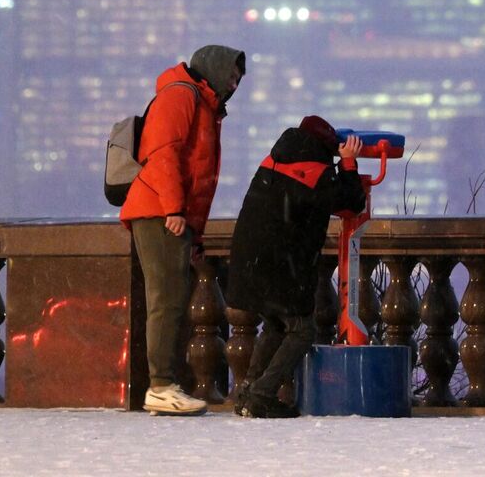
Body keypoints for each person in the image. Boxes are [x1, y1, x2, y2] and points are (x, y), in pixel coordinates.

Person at [119, 44, 245, 416]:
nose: (235, 83)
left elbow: (197, 175)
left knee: (171, 298)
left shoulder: (202, 103)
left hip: (168, 212)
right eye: (233, 75)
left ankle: (164, 384)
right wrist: (174, 208)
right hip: (159, 209)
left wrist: (196, 232)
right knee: (166, 299)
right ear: (215, 69)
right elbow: (164, 153)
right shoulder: (180, 95)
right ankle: (160, 386)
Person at [225, 116, 366, 418]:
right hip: (282, 264)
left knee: (276, 324)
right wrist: (349, 163)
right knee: (302, 330)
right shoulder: (316, 171)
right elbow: (352, 202)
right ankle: (261, 394)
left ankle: (248, 391)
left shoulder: (275, 160)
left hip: (251, 258)